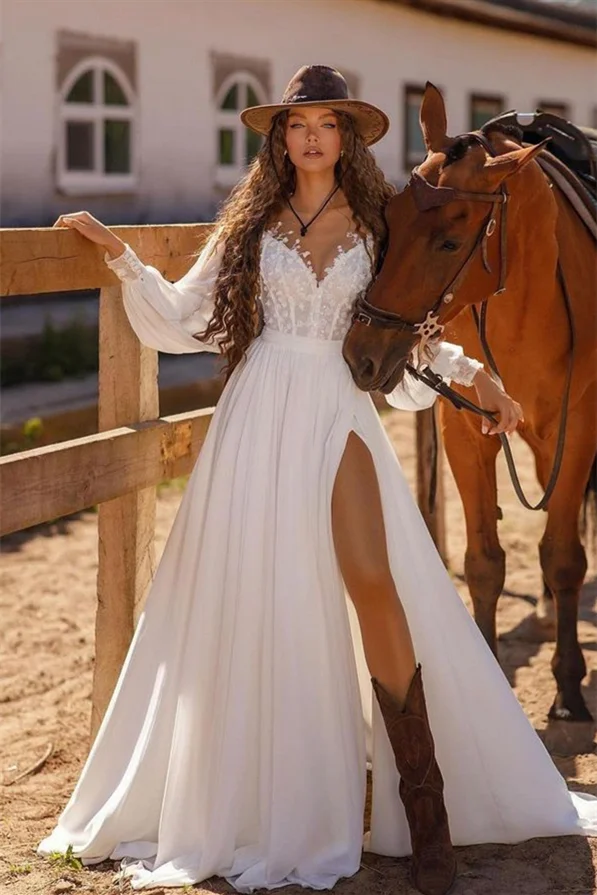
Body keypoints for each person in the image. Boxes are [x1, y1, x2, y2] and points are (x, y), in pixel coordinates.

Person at [39, 65, 596, 895]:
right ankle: (266, 790)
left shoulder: (377, 221)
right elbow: (190, 314)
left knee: (374, 582)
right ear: (279, 138)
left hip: (336, 410)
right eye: (297, 125)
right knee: (259, 596)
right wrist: (123, 257)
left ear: (347, 138)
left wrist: (473, 375)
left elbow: (405, 319)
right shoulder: (253, 221)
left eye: (326, 125)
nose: (310, 138)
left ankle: (425, 805)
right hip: (258, 411)